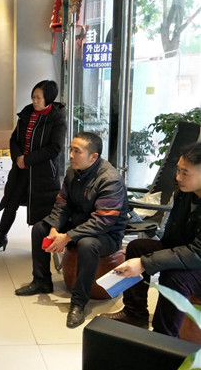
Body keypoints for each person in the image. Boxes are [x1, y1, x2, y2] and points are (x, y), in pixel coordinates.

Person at [15, 132, 128, 328]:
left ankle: (79, 302)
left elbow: (102, 221)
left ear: (93, 157)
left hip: (106, 233)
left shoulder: (110, 179)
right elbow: (62, 204)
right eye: (71, 149)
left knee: (87, 244)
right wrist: (54, 228)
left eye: (77, 151)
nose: (71, 155)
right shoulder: (72, 172)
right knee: (40, 229)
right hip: (79, 223)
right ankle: (41, 281)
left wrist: (67, 237)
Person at [101, 142, 201, 337]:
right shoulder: (185, 193)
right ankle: (134, 314)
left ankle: (163, 337)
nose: (178, 177)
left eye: (185, 173)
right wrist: (149, 258)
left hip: (197, 260)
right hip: (184, 250)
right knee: (137, 248)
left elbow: (197, 252)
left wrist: (146, 263)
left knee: (174, 277)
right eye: (178, 170)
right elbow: (174, 239)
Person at [0, 80, 66, 254]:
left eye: (38, 98)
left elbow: (55, 148)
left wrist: (27, 159)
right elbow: (14, 139)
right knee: (10, 203)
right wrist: (18, 158)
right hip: (21, 171)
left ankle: (41, 246)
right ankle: (0, 238)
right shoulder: (26, 114)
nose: (34, 101)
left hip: (43, 174)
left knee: (41, 211)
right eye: (33, 97)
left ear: (49, 98)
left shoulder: (57, 119)